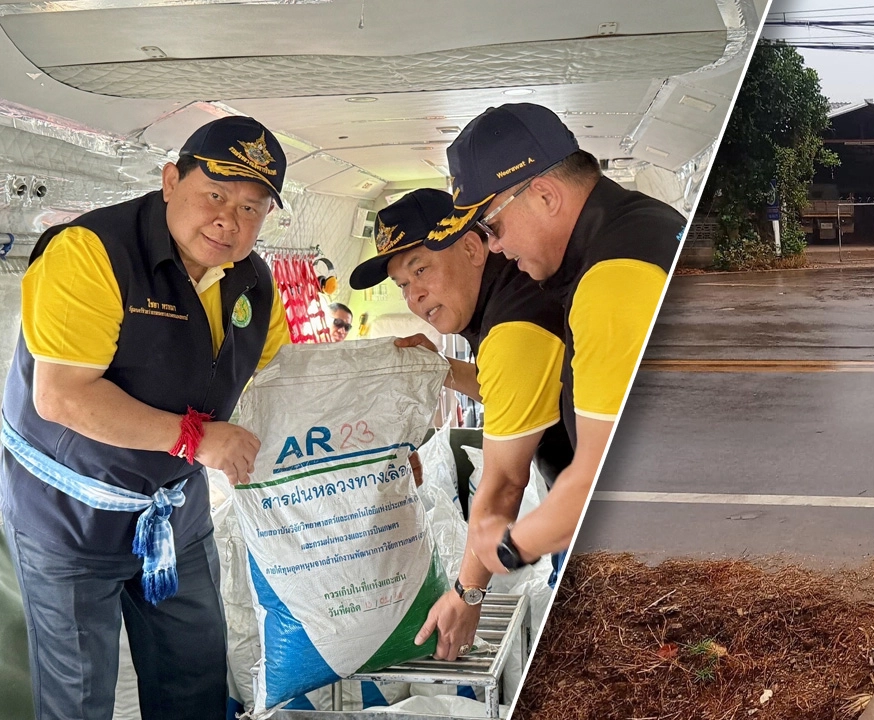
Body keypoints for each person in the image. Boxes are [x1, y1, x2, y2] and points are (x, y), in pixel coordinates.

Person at [0, 116, 292, 720]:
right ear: (169, 180)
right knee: (79, 697)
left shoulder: (254, 284)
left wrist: (396, 402)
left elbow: (287, 372)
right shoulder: (91, 253)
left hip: (171, 513)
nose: (228, 221)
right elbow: (62, 396)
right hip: (68, 521)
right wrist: (194, 438)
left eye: (251, 208)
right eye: (215, 194)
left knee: (194, 678)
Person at [428, 103, 685, 577]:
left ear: (544, 195)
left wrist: (511, 546)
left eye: (491, 227)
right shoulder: (642, 223)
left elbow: (601, 475)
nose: (496, 249)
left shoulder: (611, 283)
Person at [347, 189, 572, 662]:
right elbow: (512, 389)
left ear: (471, 248)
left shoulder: (515, 326)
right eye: (402, 285)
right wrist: (442, 369)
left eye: (420, 269)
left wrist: (468, 593)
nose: (414, 296)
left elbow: (506, 482)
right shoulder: (506, 294)